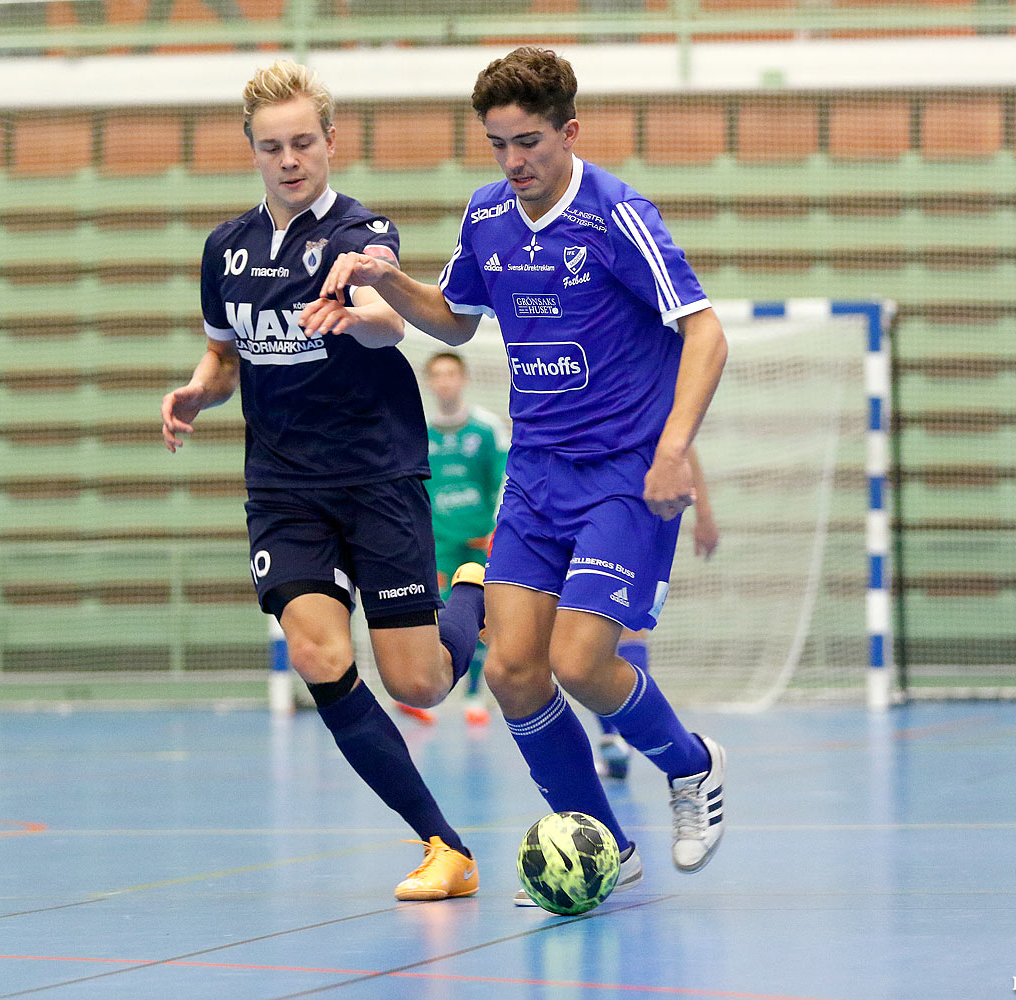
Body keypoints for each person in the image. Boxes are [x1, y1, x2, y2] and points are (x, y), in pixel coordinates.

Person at [309, 46, 730, 904]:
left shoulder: (616, 215)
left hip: (622, 473)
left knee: (580, 663)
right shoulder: (487, 216)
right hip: (537, 475)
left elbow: (706, 332)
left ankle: (692, 766)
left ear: (569, 131)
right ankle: (606, 843)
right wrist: (391, 285)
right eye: (498, 145)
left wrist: (676, 447)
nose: (514, 163)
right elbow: (457, 321)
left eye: (529, 142)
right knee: (509, 672)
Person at [160, 61, 486, 902]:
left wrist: (367, 306)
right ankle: (444, 847)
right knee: (317, 650)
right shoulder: (224, 250)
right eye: (272, 146)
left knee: (417, 681)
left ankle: (475, 586)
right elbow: (224, 355)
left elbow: (385, 327)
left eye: (304, 141)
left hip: (377, 474)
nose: (290, 159)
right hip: (283, 487)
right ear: (253, 151)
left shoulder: (359, 232)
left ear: (330, 142)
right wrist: (199, 391)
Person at [595, 446, 717, 780]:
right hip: (588, 500)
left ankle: (622, 738)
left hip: (639, 504)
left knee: (624, 627)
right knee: (585, 637)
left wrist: (703, 513)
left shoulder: (654, 402)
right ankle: (616, 741)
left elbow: (684, 445)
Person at [422, 351, 509, 726]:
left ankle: (475, 695)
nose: (445, 382)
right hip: (437, 541)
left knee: (479, 616)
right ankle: (433, 689)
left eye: (451, 374)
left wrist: (496, 529)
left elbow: (504, 481)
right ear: (430, 382)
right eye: (437, 375)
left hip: (477, 540)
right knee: (435, 616)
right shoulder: (417, 431)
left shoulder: (486, 429)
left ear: (463, 379)